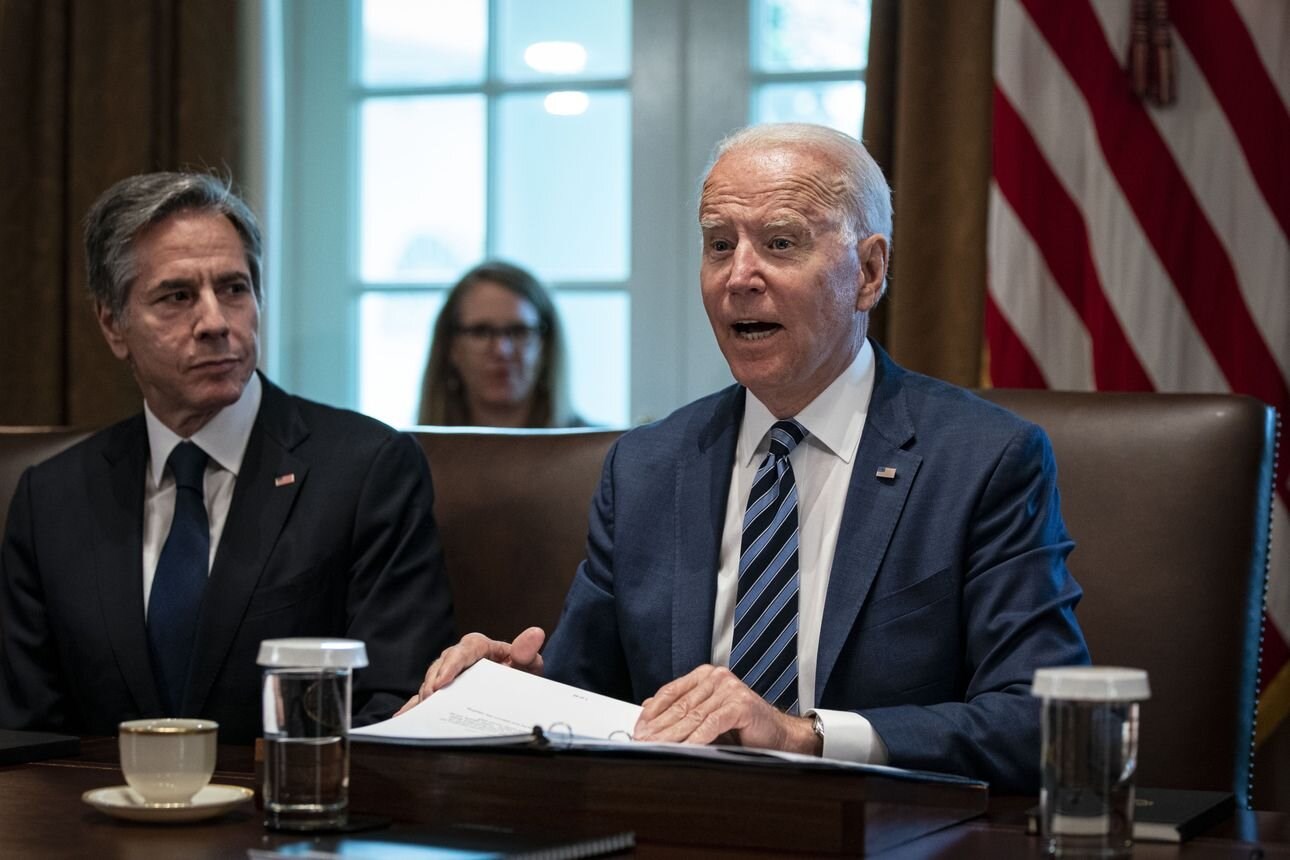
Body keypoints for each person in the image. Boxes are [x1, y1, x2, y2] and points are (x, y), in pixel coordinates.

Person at [404, 123, 1090, 794]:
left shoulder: (983, 460)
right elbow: (588, 696)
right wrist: (510, 693)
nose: (738, 277)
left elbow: (1039, 720)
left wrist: (806, 738)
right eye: (718, 244)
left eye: (781, 243)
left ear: (869, 272)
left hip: (878, 839)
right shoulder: (646, 466)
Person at [0, 172, 456, 743]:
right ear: (113, 324)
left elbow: (395, 703)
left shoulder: (367, 471)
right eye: (178, 296)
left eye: (234, 289)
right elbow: (24, 734)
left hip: (292, 821)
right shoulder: (53, 498)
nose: (216, 322)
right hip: (100, 824)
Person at [417, 261, 578, 428]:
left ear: (546, 345)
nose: (502, 350)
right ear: (451, 346)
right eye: (481, 331)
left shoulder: (599, 451)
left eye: (519, 331)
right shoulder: (411, 451)